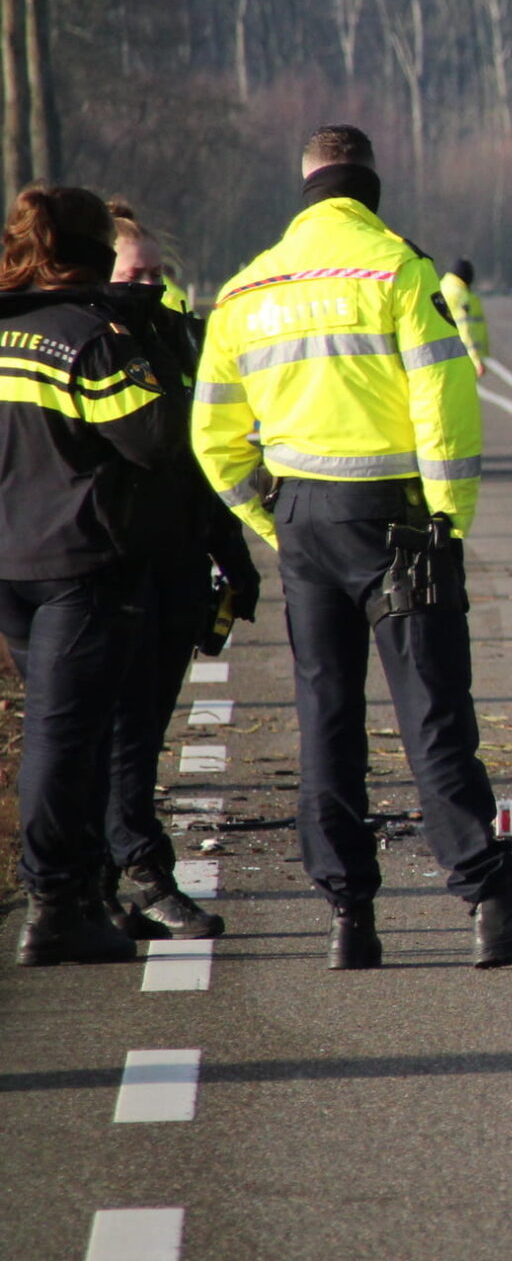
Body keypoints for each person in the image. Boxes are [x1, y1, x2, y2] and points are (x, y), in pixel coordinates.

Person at [193, 127, 512, 970]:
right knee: (433, 712)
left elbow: (214, 440)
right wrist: (449, 519)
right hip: (398, 523)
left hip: (303, 520)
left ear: (307, 186)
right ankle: (489, 898)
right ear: (369, 186)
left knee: (326, 718)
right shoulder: (398, 272)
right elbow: (443, 405)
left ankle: (349, 916)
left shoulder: (244, 290)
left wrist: (271, 521)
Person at [0, 186, 187, 966]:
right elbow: (157, 437)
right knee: (63, 738)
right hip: (79, 564)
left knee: (60, 729)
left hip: (11, 562)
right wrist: (146, 340)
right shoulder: (88, 337)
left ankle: (79, 895)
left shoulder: (7, 327)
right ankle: (53, 906)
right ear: (98, 254)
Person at [100, 200, 259, 941]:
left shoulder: (177, 335)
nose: (151, 287)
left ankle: (105, 880)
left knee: (143, 728)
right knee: (120, 730)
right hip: (110, 565)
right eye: (135, 274)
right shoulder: (84, 344)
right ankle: (137, 872)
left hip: (178, 559)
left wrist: (231, 552)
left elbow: (203, 455)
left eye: (157, 274)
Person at [438, 257, 488, 379]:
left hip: (442, 356)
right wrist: (476, 360)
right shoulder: (461, 295)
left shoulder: (441, 287)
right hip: (461, 357)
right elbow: (466, 329)